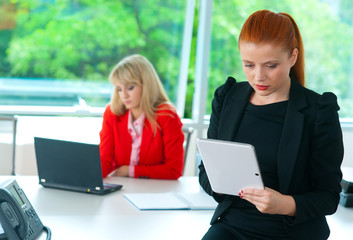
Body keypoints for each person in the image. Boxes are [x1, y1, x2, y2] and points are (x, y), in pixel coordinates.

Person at [199, 10, 344, 240]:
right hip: (232, 227)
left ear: (292, 57)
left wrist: (285, 204)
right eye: (248, 65)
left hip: (291, 232)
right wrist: (222, 183)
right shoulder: (227, 98)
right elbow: (205, 174)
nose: (258, 77)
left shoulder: (318, 111)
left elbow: (328, 197)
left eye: (270, 66)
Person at [99, 54, 184, 180]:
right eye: (119, 89)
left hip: (155, 192)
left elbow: (173, 170)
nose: (124, 95)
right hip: (123, 189)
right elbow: (104, 162)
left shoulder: (166, 116)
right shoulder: (112, 114)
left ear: (146, 85)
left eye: (130, 88)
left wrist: (128, 171)